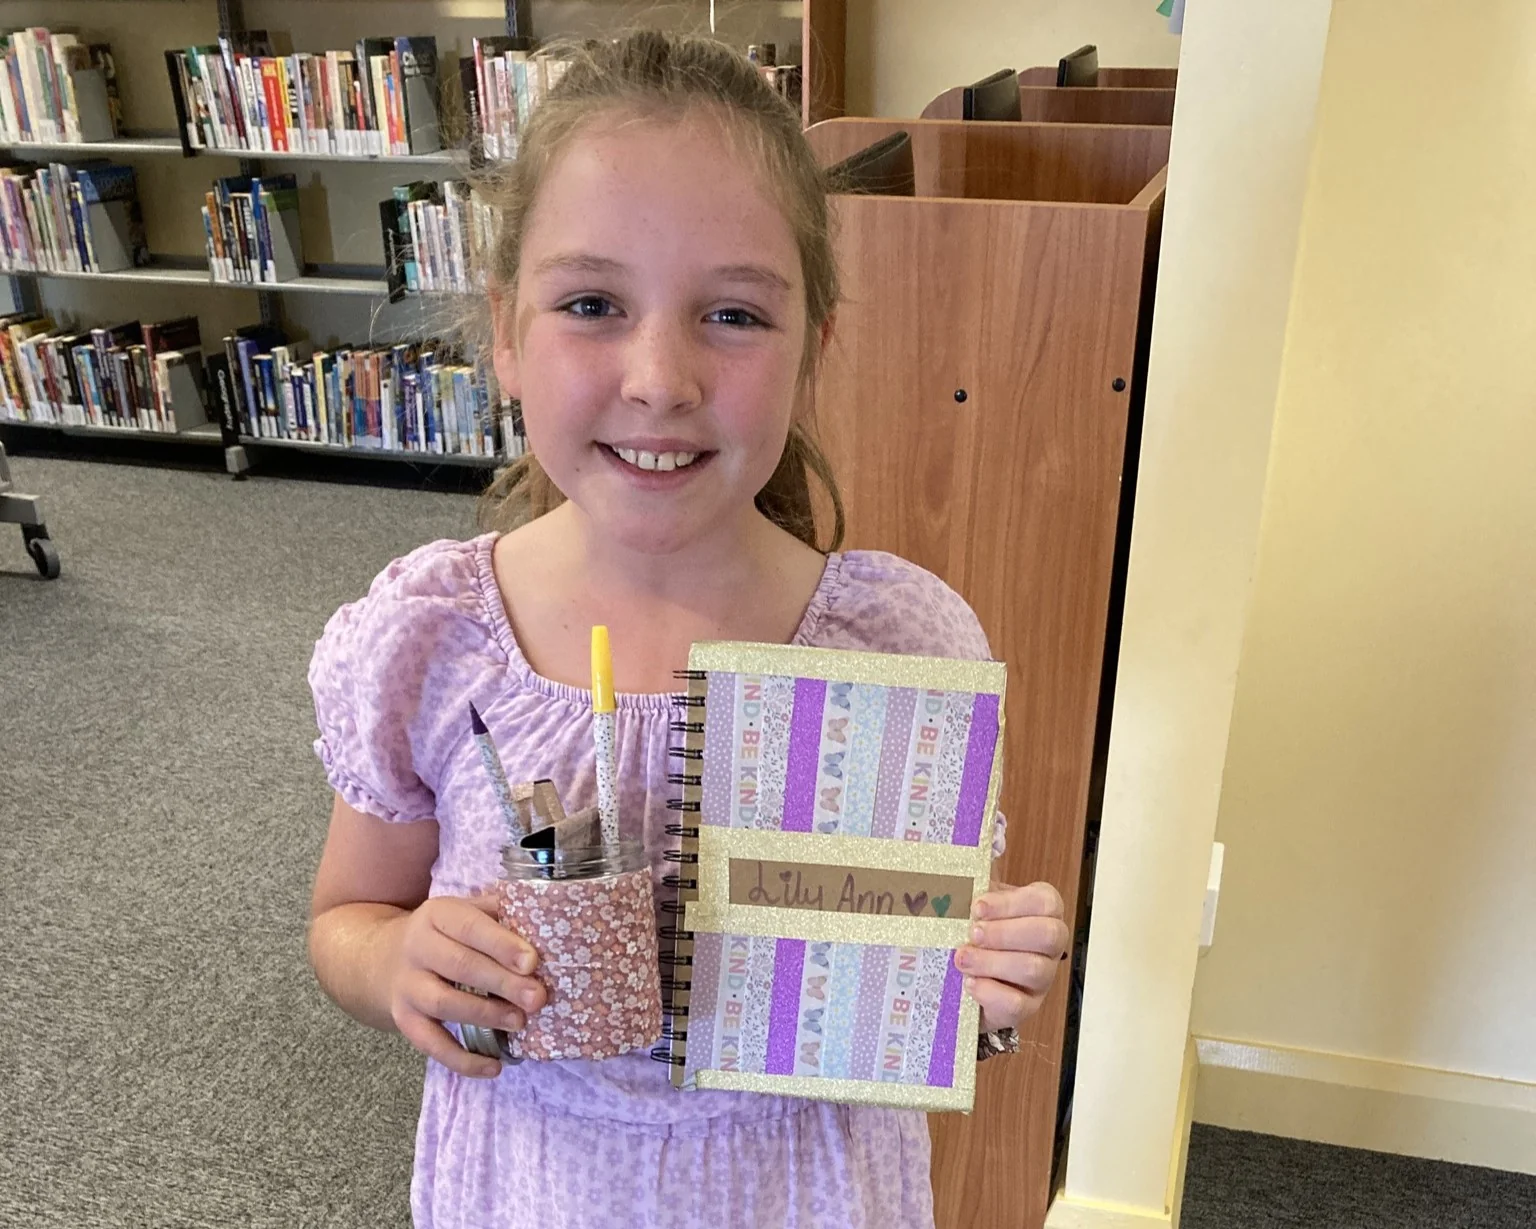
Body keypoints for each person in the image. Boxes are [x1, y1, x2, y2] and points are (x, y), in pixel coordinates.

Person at [306, 30, 1070, 1229]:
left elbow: (929, 974)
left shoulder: (890, 644)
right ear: (506, 329)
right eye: (593, 302)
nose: (661, 376)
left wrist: (988, 981)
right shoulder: (437, 640)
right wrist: (395, 964)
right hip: (535, 1184)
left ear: (814, 346)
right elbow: (346, 916)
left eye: (731, 314)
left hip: (803, 1189)